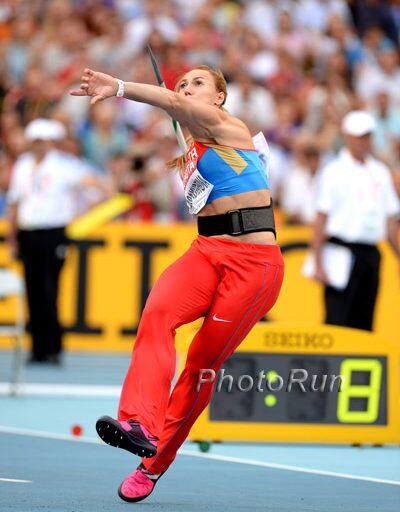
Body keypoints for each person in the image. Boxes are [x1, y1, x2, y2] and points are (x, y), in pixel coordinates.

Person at [70, 65, 284, 502]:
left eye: (197, 83)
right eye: (182, 83)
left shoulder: (228, 126)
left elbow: (171, 103)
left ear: (219, 97)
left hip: (254, 266)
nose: (186, 88)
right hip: (205, 252)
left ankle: (153, 466)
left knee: (200, 364)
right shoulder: (190, 149)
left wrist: (120, 88)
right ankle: (138, 422)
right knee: (157, 314)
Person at [6, 118, 109, 364]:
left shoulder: (64, 166)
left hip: (53, 232)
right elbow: (15, 203)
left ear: (51, 142)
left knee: (50, 289)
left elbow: (98, 187)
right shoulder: (23, 165)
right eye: (35, 141)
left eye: (43, 141)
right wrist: (12, 238)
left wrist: (81, 213)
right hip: (28, 232)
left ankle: (52, 346)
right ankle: (37, 348)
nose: (39, 145)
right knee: (32, 290)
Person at [311, 110, 400, 331]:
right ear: (347, 137)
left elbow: (390, 221)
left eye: (367, 136)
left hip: (370, 253)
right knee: (337, 318)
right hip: (340, 250)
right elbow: (321, 218)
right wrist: (318, 261)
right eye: (360, 137)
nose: (364, 142)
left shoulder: (380, 172)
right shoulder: (333, 171)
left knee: (365, 321)